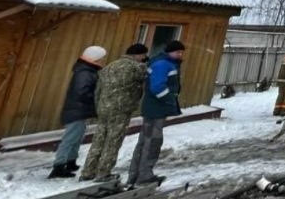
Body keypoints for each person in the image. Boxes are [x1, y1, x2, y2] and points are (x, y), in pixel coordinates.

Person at [79, 43, 149, 183]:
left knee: (98, 140)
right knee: (113, 141)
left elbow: (98, 89)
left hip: (103, 108)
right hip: (120, 110)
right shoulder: (137, 67)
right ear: (137, 55)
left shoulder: (110, 66)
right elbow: (144, 79)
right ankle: (103, 173)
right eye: (143, 55)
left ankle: (87, 171)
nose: (144, 58)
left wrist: (98, 105)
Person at [127, 40, 185, 189]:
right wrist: (170, 100)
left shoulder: (161, 62)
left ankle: (134, 175)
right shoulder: (163, 64)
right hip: (156, 109)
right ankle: (144, 177)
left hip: (153, 109)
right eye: (178, 52)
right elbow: (158, 87)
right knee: (152, 142)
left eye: (181, 52)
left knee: (144, 142)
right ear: (170, 52)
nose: (180, 55)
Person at [49, 46, 107, 178]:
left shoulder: (86, 70)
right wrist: (95, 99)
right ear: (95, 58)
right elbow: (82, 91)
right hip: (77, 109)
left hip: (79, 108)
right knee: (70, 138)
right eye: (101, 57)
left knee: (77, 136)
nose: (103, 60)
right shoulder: (85, 73)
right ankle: (58, 166)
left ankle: (70, 161)